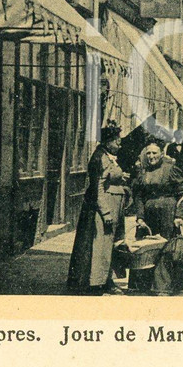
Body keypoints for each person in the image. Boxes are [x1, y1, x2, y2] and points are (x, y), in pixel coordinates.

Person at [67, 122, 129, 295]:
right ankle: (97, 283)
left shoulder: (108, 157)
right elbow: (98, 188)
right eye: (117, 141)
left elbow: (108, 178)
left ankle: (106, 279)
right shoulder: (100, 158)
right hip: (103, 210)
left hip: (113, 206)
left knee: (109, 245)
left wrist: (120, 177)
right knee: (101, 245)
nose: (120, 144)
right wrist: (106, 212)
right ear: (108, 141)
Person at [129, 143, 183, 294]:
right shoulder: (143, 171)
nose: (151, 156)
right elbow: (138, 195)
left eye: (154, 153)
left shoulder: (170, 169)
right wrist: (140, 217)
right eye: (148, 153)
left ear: (161, 154)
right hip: (148, 214)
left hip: (167, 213)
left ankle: (163, 286)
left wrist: (178, 215)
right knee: (145, 248)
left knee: (166, 248)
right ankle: (142, 286)